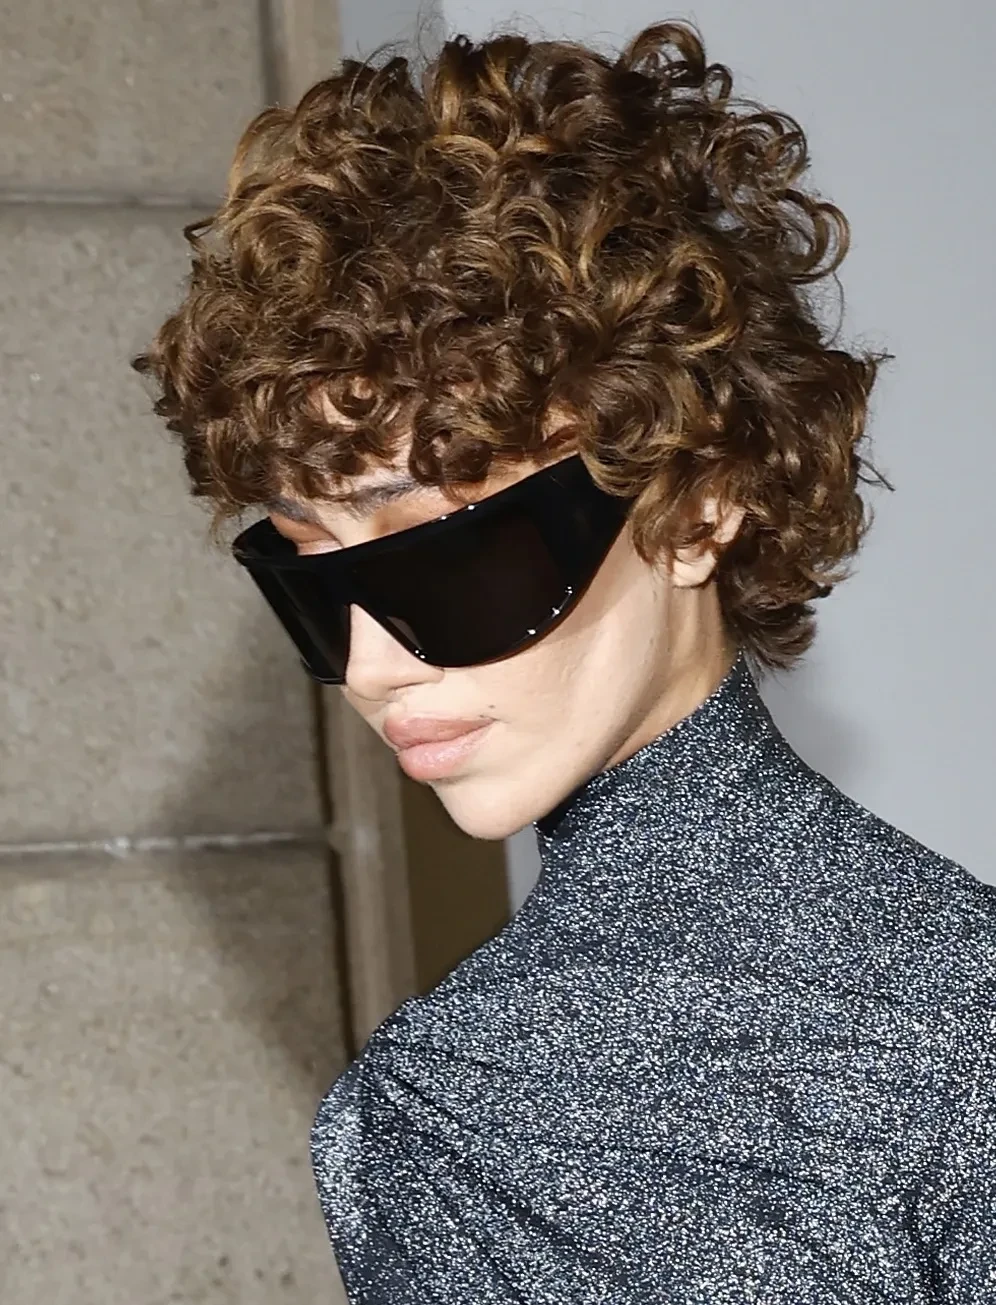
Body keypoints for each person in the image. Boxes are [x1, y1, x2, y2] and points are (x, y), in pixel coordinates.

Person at [132, 19, 996, 1302]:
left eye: (439, 561)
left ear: (700, 502)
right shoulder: (432, 1111)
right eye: (307, 577)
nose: (369, 668)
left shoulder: (469, 1111)